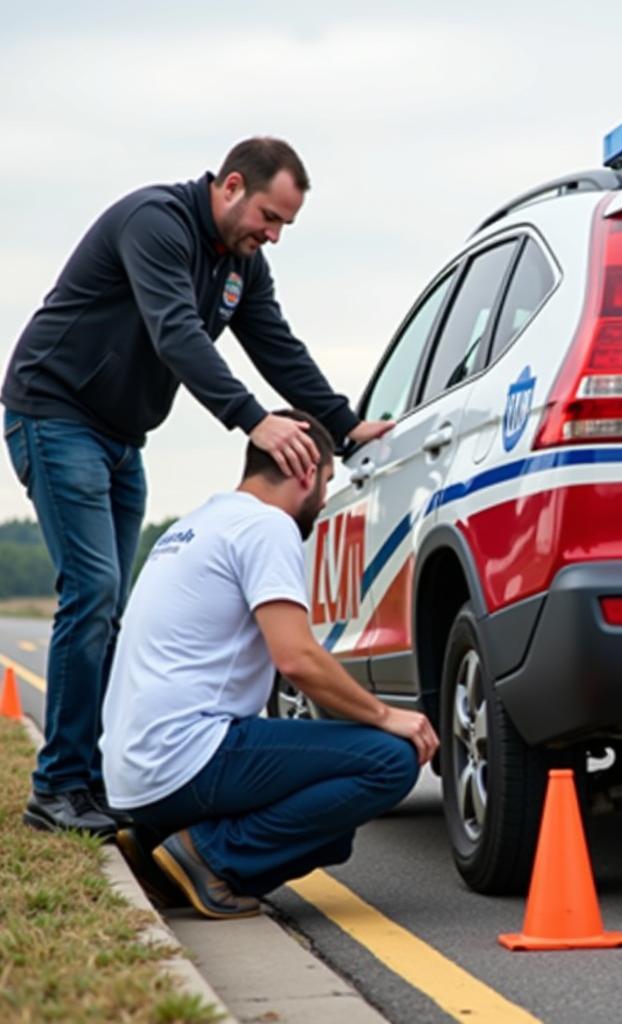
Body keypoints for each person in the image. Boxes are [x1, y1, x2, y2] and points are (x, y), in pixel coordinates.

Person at [2, 138, 391, 837]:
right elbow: (176, 332)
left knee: (112, 604)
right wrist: (253, 421)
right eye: (268, 217)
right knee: (90, 593)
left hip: (122, 436)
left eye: (283, 228)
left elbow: (275, 343)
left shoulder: (242, 265)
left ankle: (92, 780)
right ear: (232, 184)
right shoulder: (156, 223)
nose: (270, 236)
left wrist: (347, 424)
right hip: (53, 412)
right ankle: (58, 788)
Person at [99, 409, 438, 917]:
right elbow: (297, 658)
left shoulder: (195, 524)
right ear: (305, 471)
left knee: (331, 834)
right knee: (388, 760)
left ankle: (161, 848)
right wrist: (388, 716)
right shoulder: (267, 526)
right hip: (185, 758)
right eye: (326, 481)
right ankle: (208, 857)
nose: (324, 499)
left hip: (133, 774)